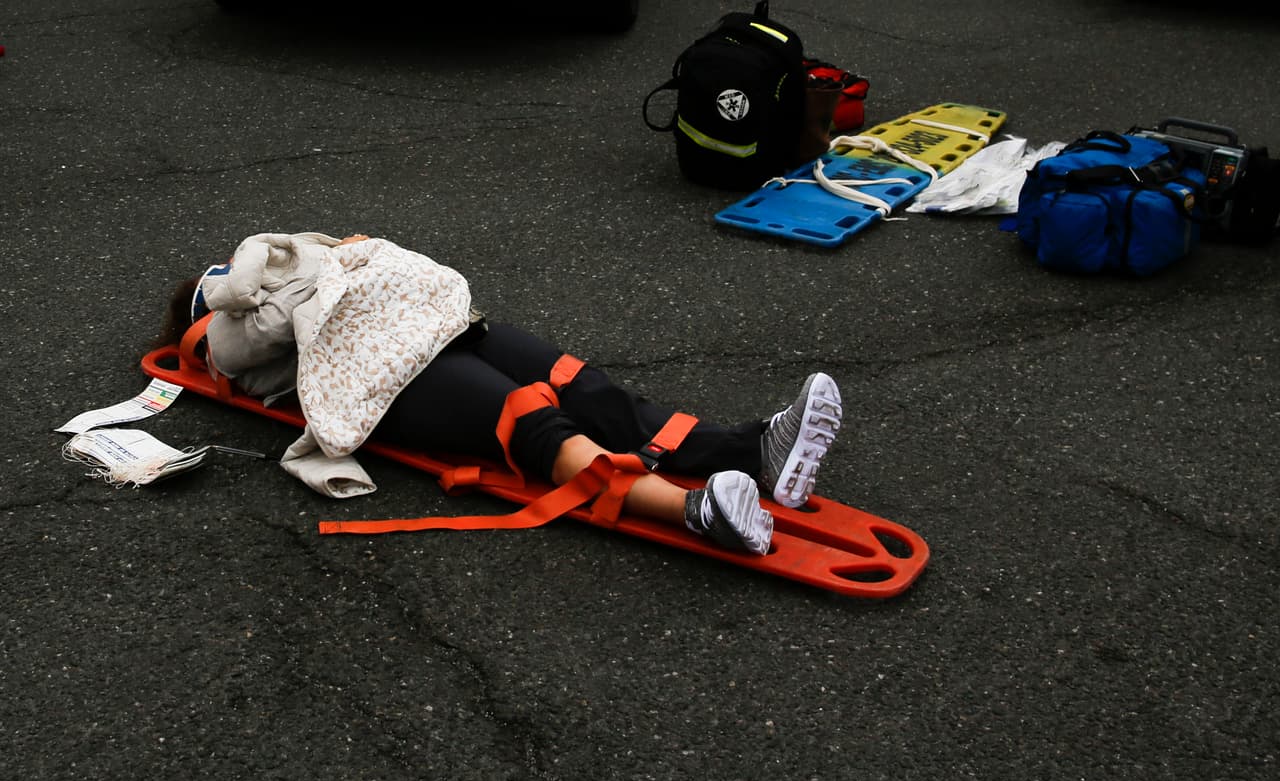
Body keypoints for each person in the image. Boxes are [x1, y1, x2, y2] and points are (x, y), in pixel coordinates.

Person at [154, 232, 843, 556]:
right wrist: (245, 292)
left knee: (579, 383)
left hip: (432, 329)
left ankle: (752, 451)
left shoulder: (289, 263)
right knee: (530, 418)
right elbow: (263, 330)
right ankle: (693, 509)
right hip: (383, 382)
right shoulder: (222, 338)